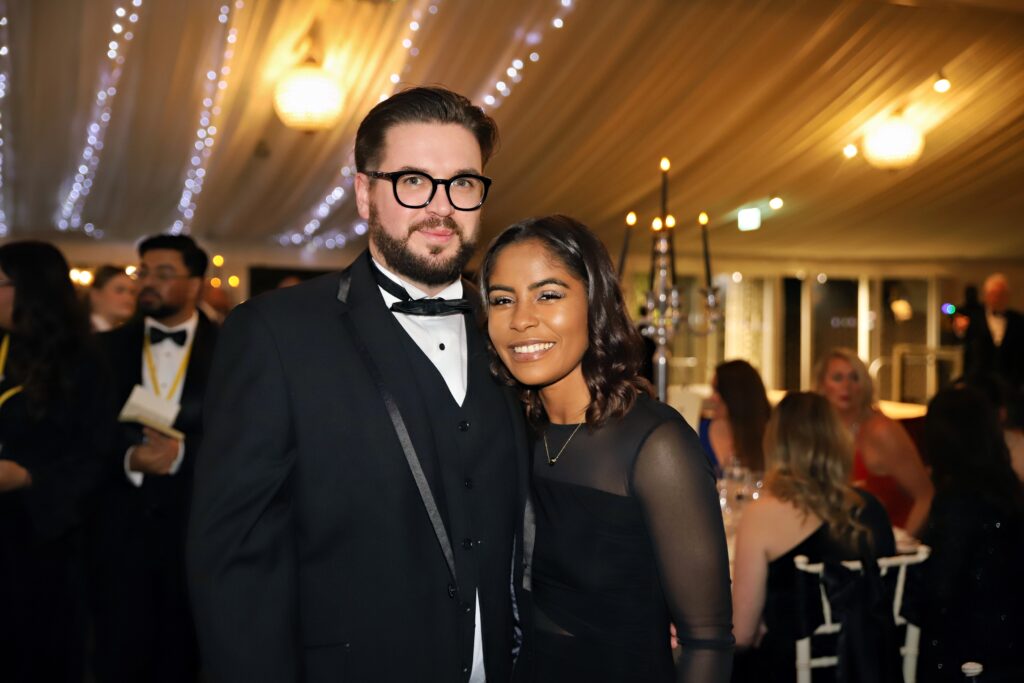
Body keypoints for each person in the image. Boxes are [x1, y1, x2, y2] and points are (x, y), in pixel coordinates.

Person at [187, 86, 528, 683]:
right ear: (365, 193)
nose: (441, 207)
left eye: (462, 183)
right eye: (413, 181)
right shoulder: (275, 333)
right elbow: (234, 561)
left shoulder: (516, 332)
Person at [481, 215, 733, 682]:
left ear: (595, 302)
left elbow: (707, 642)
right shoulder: (507, 431)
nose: (521, 319)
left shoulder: (655, 445)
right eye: (502, 299)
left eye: (548, 294)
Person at [89, 234, 217, 683]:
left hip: (197, 530)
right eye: (143, 272)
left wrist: (185, 453)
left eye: (163, 274)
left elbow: (246, 435)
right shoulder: (101, 350)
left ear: (195, 284)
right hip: (118, 533)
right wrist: (128, 458)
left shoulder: (232, 349)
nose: (147, 283)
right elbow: (85, 433)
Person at [0, 241, 114, 683]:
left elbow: (96, 457)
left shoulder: (83, 363)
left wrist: (28, 477)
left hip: (43, 544)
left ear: (31, 290)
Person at [731, 392, 899, 682]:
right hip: (868, 665)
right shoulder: (871, 507)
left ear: (776, 443)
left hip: (792, 670)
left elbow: (742, 635)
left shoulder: (762, 514)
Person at [907, 386, 1024, 682]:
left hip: (970, 652)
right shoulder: (1007, 490)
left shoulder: (958, 500)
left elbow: (940, 589)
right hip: (1008, 643)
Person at [815, 348, 933, 535]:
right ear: (822, 386)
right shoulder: (819, 432)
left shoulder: (881, 431)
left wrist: (901, 543)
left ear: (865, 384)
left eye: (854, 378)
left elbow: (925, 495)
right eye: (837, 378)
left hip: (891, 539)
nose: (846, 386)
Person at [955, 273, 1024, 391]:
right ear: (986, 296)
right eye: (994, 294)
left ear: (1007, 296)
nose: (997, 298)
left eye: (1001, 294)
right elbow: (962, 344)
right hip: (978, 382)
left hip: (1010, 383)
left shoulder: (1018, 320)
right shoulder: (973, 318)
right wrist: (959, 330)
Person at [701, 359, 771, 474]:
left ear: (736, 396)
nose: (711, 398)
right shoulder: (698, 432)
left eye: (717, 391)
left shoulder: (768, 437)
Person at [88, 264, 137, 331]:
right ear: (96, 294)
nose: (128, 297)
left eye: (132, 292)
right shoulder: (81, 332)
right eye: (119, 290)